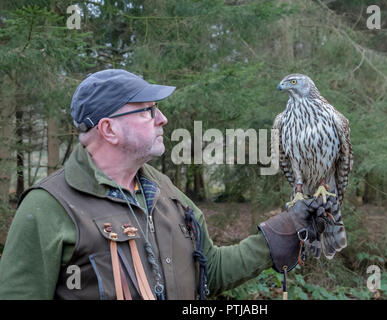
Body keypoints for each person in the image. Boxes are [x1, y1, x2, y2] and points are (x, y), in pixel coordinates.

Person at [0, 69, 336, 300]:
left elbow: (211, 270)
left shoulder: (165, 192)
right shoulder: (49, 207)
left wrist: (285, 230)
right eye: (147, 111)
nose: (162, 119)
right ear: (109, 129)